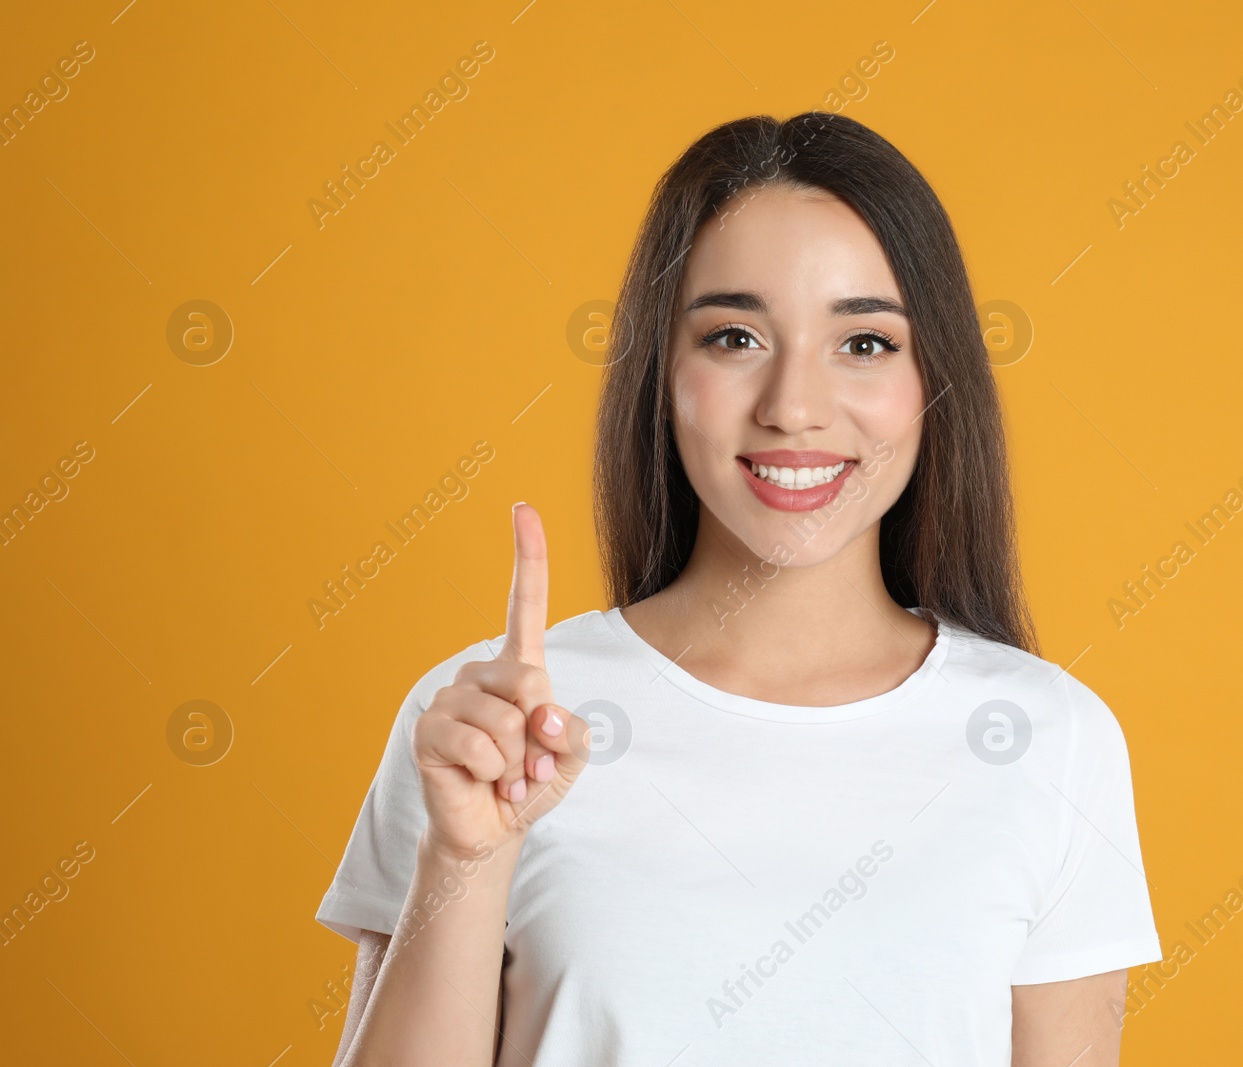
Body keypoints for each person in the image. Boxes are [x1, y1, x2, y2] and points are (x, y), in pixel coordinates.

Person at [316, 111, 1161, 1066]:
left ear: (936, 378)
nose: (794, 406)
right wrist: (464, 861)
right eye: (734, 336)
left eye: (867, 343)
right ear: (661, 372)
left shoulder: (1048, 737)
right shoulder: (494, 725)